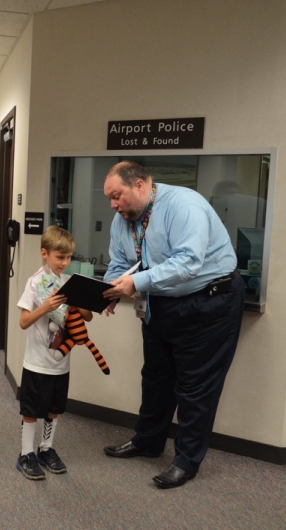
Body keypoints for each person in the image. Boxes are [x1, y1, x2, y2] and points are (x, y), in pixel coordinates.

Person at [101, 161, 245, 489]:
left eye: (117, 196)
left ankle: (185, 461)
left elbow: (188, 263)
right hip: (160, 303)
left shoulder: (184, 206)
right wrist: (109, 289)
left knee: (195, 387)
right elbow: (121, 262)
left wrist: (135, 282)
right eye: (110, 198)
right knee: (156, 378)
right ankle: (148, 442)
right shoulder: (122, 219)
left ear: (139, 185)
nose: (112, 204)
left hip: (209, 303)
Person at [15, 226, 92, 480]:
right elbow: (24, 321)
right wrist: (45, 306)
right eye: (60, 257)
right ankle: (26, 454)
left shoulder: (69, 282)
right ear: (44, 253)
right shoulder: (35, 283)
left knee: (54, 408)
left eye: (69, 257)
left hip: (61, 362)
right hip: (38, 363)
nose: (65, 262)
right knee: (31, 409)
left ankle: (45, 449)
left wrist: (80, 303)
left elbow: (88, 316)